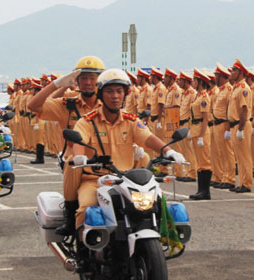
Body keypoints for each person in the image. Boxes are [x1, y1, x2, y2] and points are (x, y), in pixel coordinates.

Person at [70, 69, 185, 242]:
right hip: (96, 180)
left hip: (126, 180)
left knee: (157, 204)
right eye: (109, 91)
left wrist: (169, 151)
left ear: (125, 94)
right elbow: (79, 141)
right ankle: (85, 251)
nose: (115, 96)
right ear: (101, 94)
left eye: (119, 91)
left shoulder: (131, 121)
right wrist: (79, 157)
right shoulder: (87, 121)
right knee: (86, 208)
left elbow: (148, 138)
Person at [27, 56, 105, 234]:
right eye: (83, 78)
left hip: (106, 156)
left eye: (92, 78)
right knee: (71, 164)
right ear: (76, 81)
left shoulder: (107, 102)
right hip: (77, 158)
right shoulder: (69, 104)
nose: (87, 82)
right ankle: (71, 215)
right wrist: (57, 84)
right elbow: (34, 105)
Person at [227, 58, 254, 193]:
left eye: (234, 70)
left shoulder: (244, 88)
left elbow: (244, 109)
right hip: (234, 125)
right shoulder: (236, 88)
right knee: (239, 157)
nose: (231, 73)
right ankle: (242, 182)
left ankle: (247, 183)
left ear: (241, 72)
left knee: (244, 156)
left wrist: (241, 128)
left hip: (240, 124)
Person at [188, 68, 213, 200]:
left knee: (205, 162)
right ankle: (200, 190)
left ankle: (205, 191)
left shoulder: (204, 97)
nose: (193, 82)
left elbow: (205, 118)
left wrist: (202, 136)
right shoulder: (198, 95)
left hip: (201, 131)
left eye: (195, 80)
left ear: (200, 82)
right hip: (195, 129)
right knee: (199, 162)